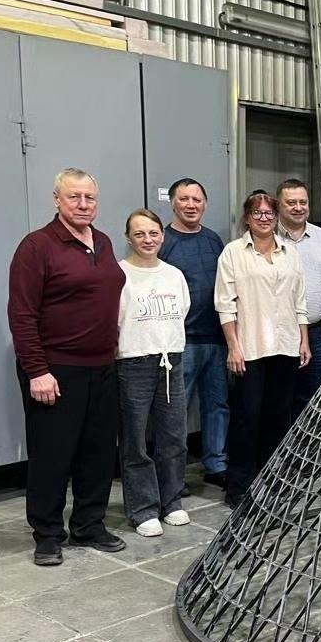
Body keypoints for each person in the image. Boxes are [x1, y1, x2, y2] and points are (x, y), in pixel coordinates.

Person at [7, 168, 127, 566]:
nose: (83, 204)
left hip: (102, 366)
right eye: (74, 197)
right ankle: (47, 534)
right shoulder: (37, 246)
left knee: (97, 454)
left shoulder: (103, 242)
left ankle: (89, 525)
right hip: (56, 370)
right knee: (52, 457)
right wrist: (37, 371)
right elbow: (22, 314)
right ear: (57, 200)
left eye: (89, 197)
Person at [216, 191, 311, 506]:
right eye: (257, 213)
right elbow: (225, 305)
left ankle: (273, 481)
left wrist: (304, 340)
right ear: (247, 218)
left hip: (286, 347)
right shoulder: (233, 253)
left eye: (269, 212)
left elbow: (299, 301)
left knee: (278, 417)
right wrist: (233, 347)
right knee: (247, 417)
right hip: (250, 348)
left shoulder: (290, 253)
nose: (264, 217)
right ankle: (240, 486)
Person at [116, 209, 191, 537]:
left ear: (162, 235)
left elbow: (183, 310)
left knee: (174, 437)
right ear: (128, 238)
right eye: (139, 234)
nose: (148, 239)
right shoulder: (119, 274)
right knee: (135, 440)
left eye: (153, 233)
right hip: (134, 362)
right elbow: (114, 319)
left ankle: (171, 501)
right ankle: (143, 508)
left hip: (171, 360)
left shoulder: (174, 274)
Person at [157, 177, 228, 490]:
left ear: (205, 204)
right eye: (184, 199)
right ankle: (173, 476)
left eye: (196, 200)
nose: (190, 205)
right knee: (176, 412)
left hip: (217, 339)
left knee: (218, 405)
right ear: (173, 203)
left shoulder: (213, 240)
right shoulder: (163, 242)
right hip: (180, 342)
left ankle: (216, 464)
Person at [277, 179, 321, 419]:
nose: (298, 207)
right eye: (291, 203)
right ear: (279, 205)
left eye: (303, 202)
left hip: (319, 333)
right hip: (280, 334)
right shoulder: (268, 238)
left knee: (318, 398)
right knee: (281, 397)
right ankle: (283, 443)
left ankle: (310, 443)